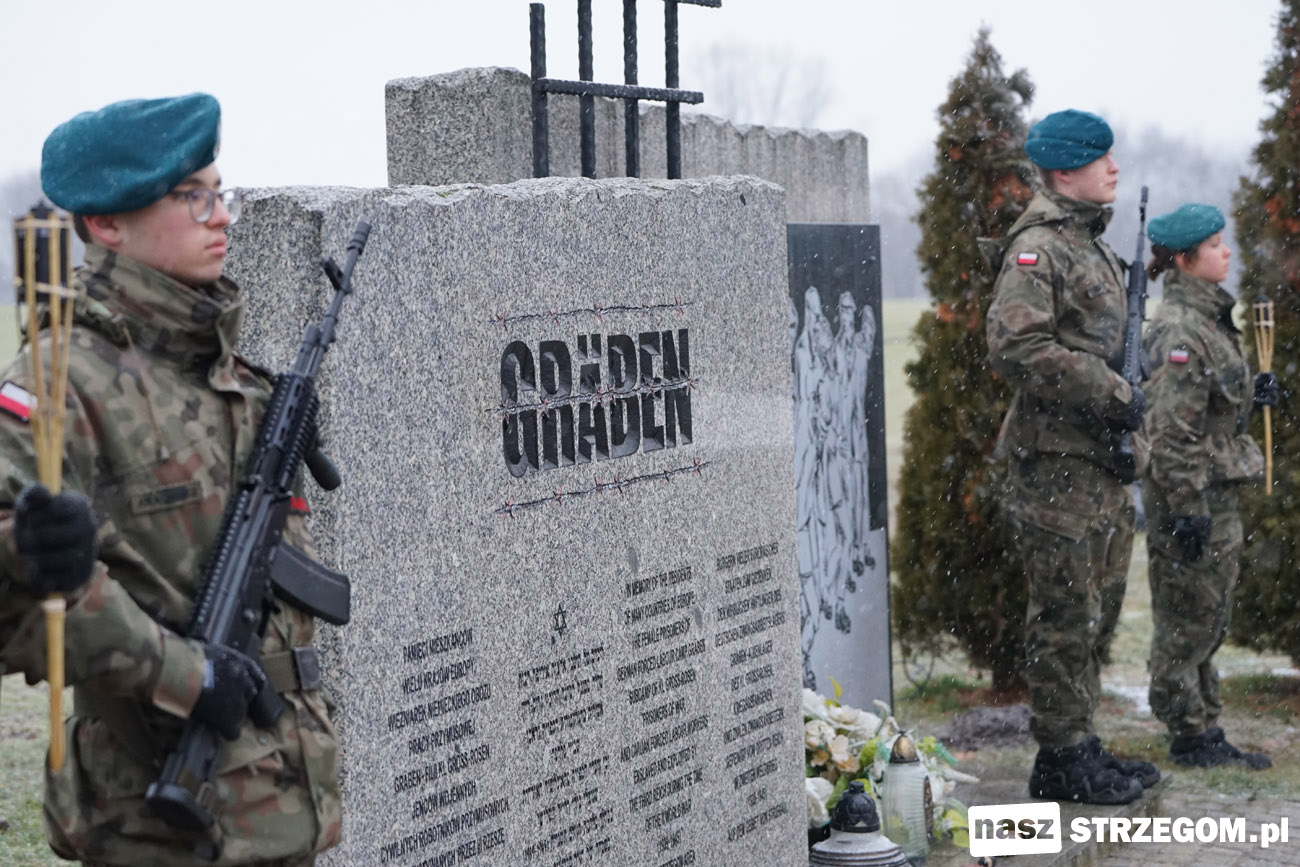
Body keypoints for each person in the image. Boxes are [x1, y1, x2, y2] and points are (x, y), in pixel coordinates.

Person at [0, 93, 341, 865]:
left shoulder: (229, 375)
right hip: (158, 828)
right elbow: (19, 596)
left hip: (283, 808)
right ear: (105, 224)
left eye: (220, 193)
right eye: (192, 197)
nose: (220, 216)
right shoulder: (59, 384)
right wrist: (188, 676)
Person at [985, 109, 1160, 804]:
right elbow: (1016, 345)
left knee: (1095, 612)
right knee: (1064, 615)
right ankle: (1059, 757)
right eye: (1100, 158)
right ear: (1065, 171)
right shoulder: (1041, 248)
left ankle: (1080, 742)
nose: (1114, 168)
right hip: (1055, 466)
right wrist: (1111, 389)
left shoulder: (1091, 246)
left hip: (1097, 465)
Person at [1141, 203, 1273, 770]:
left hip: (1212, 492)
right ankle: (1188, 732)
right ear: (1185, 259)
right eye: (1216, 245)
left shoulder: (1210, 321)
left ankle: (1204, 724)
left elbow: (1209, 407)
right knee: (1187, 616)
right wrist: (1188, 508)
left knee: (1209, 614)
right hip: (1191, 497)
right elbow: (1173, 433)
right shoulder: (1180, 329)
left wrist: (1250, 394)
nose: (1227, 253)